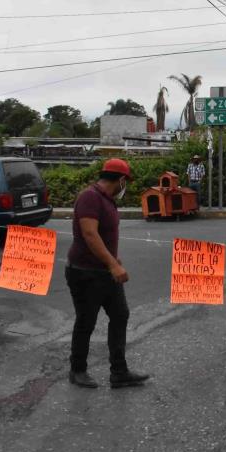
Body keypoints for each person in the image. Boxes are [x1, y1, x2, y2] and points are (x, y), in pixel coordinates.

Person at [65, 158, 149, 388]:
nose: (126, 187)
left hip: (104, 271)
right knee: (86, 321)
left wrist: (113, 260)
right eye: (126, 182)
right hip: (84, 272)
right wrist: (113, 265)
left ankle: (119, 372)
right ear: (121, 180)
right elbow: (90, 234)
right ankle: (77, 370)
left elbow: (104, 236)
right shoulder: (90, 197)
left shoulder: (107, 200)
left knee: (120, 315)